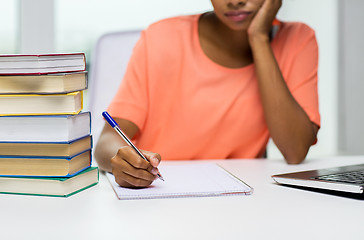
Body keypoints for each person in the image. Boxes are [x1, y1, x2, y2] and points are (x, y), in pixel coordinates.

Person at [94, 0, 320, 188]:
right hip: (160, 195)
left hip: (242, 200)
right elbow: (106, 141)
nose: (235, 1)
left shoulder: (297, 38)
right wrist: (124, 163)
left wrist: (259, 38)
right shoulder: (161, 37)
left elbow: (295, 151)